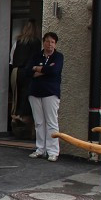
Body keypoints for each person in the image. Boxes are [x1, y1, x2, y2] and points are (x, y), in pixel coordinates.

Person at [24, 32, 63, 161]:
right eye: (47, 41)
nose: (49, 44)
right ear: (43, 42)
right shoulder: (36, 56)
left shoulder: (58, 57)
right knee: (39, 122)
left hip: (50, 93)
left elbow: (54, 71)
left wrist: (38, 69)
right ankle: (40, 149)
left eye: (52, 42)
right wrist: (43, 69)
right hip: (35, 93)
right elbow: (28, 71)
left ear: (55, 44)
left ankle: (53, 151)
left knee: (52, 122)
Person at [9, 20, 40, 126]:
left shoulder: (17, 41)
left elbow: (12, 59)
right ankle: (23, 116)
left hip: (16, 71)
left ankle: (15, 114)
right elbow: (36, 58)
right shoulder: (36, 42)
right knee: (27, 94)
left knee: (16, 95)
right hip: (28, 71)